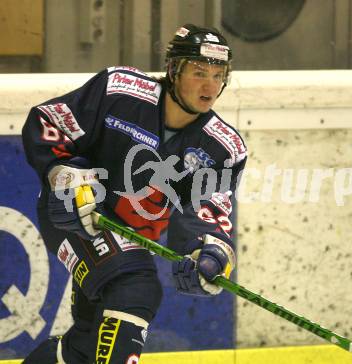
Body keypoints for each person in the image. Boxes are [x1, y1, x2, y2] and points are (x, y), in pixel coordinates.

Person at [21, 23, 247, 364]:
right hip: (77, 218)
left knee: (84, 347)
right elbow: (48, 122)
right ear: (173, 70)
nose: (209, 85)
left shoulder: (222, 147)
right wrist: (61, 174)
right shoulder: (120, 90)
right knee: (136, 287)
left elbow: (206, 213)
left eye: (218, 75)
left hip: (130, 241)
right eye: (199, 72)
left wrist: (211, 253)